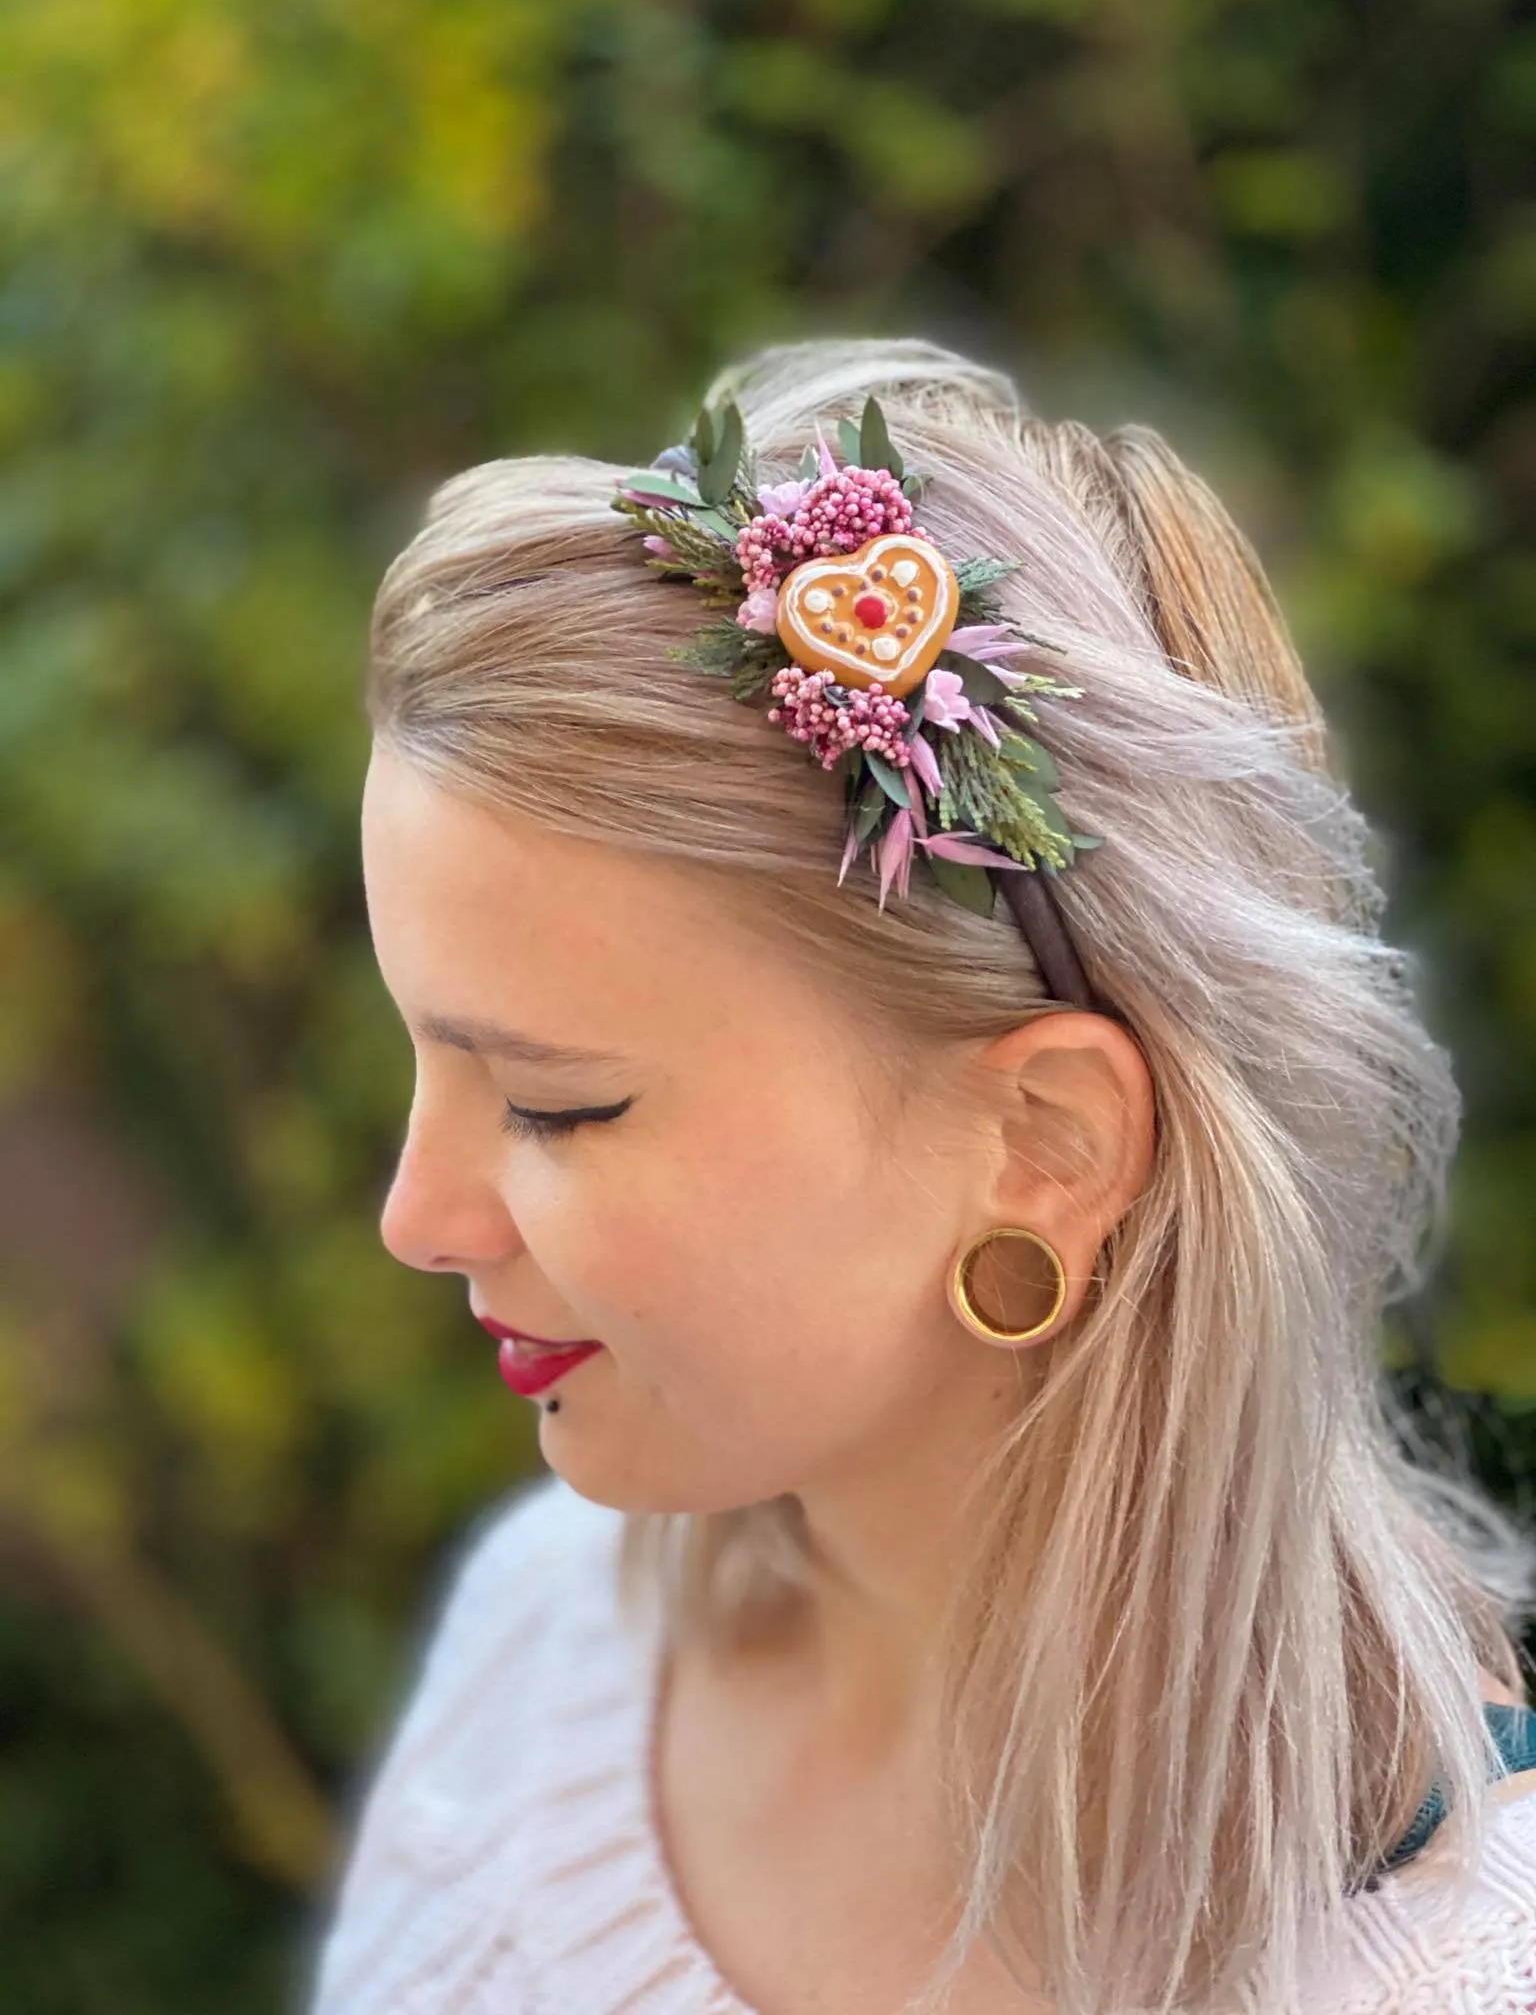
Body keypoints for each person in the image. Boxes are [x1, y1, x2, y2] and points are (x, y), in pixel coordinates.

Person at [303, 339, 1536, 2015]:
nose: (415, 1218)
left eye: (557, 1105)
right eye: (425, 1061)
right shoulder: (549, 1649)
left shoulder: (1448, 1969)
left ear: (1048, 1145)